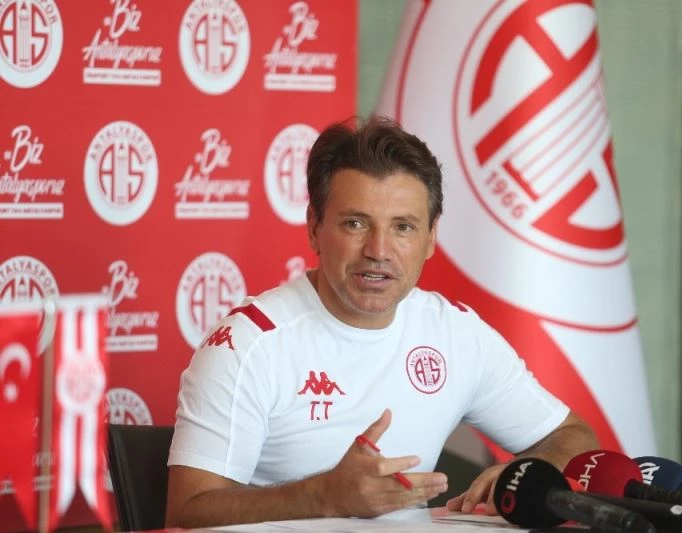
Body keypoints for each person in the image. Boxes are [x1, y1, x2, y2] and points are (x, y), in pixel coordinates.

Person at [165, 117, 598, 528]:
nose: (378, 250)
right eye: (355, 223)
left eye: (403, 227)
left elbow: (574, 437)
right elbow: (185, 513)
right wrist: (323, 497)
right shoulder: (247, 344)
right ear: (314, 227)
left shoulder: (456, 334)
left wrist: (532, 468)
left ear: (431, 237)